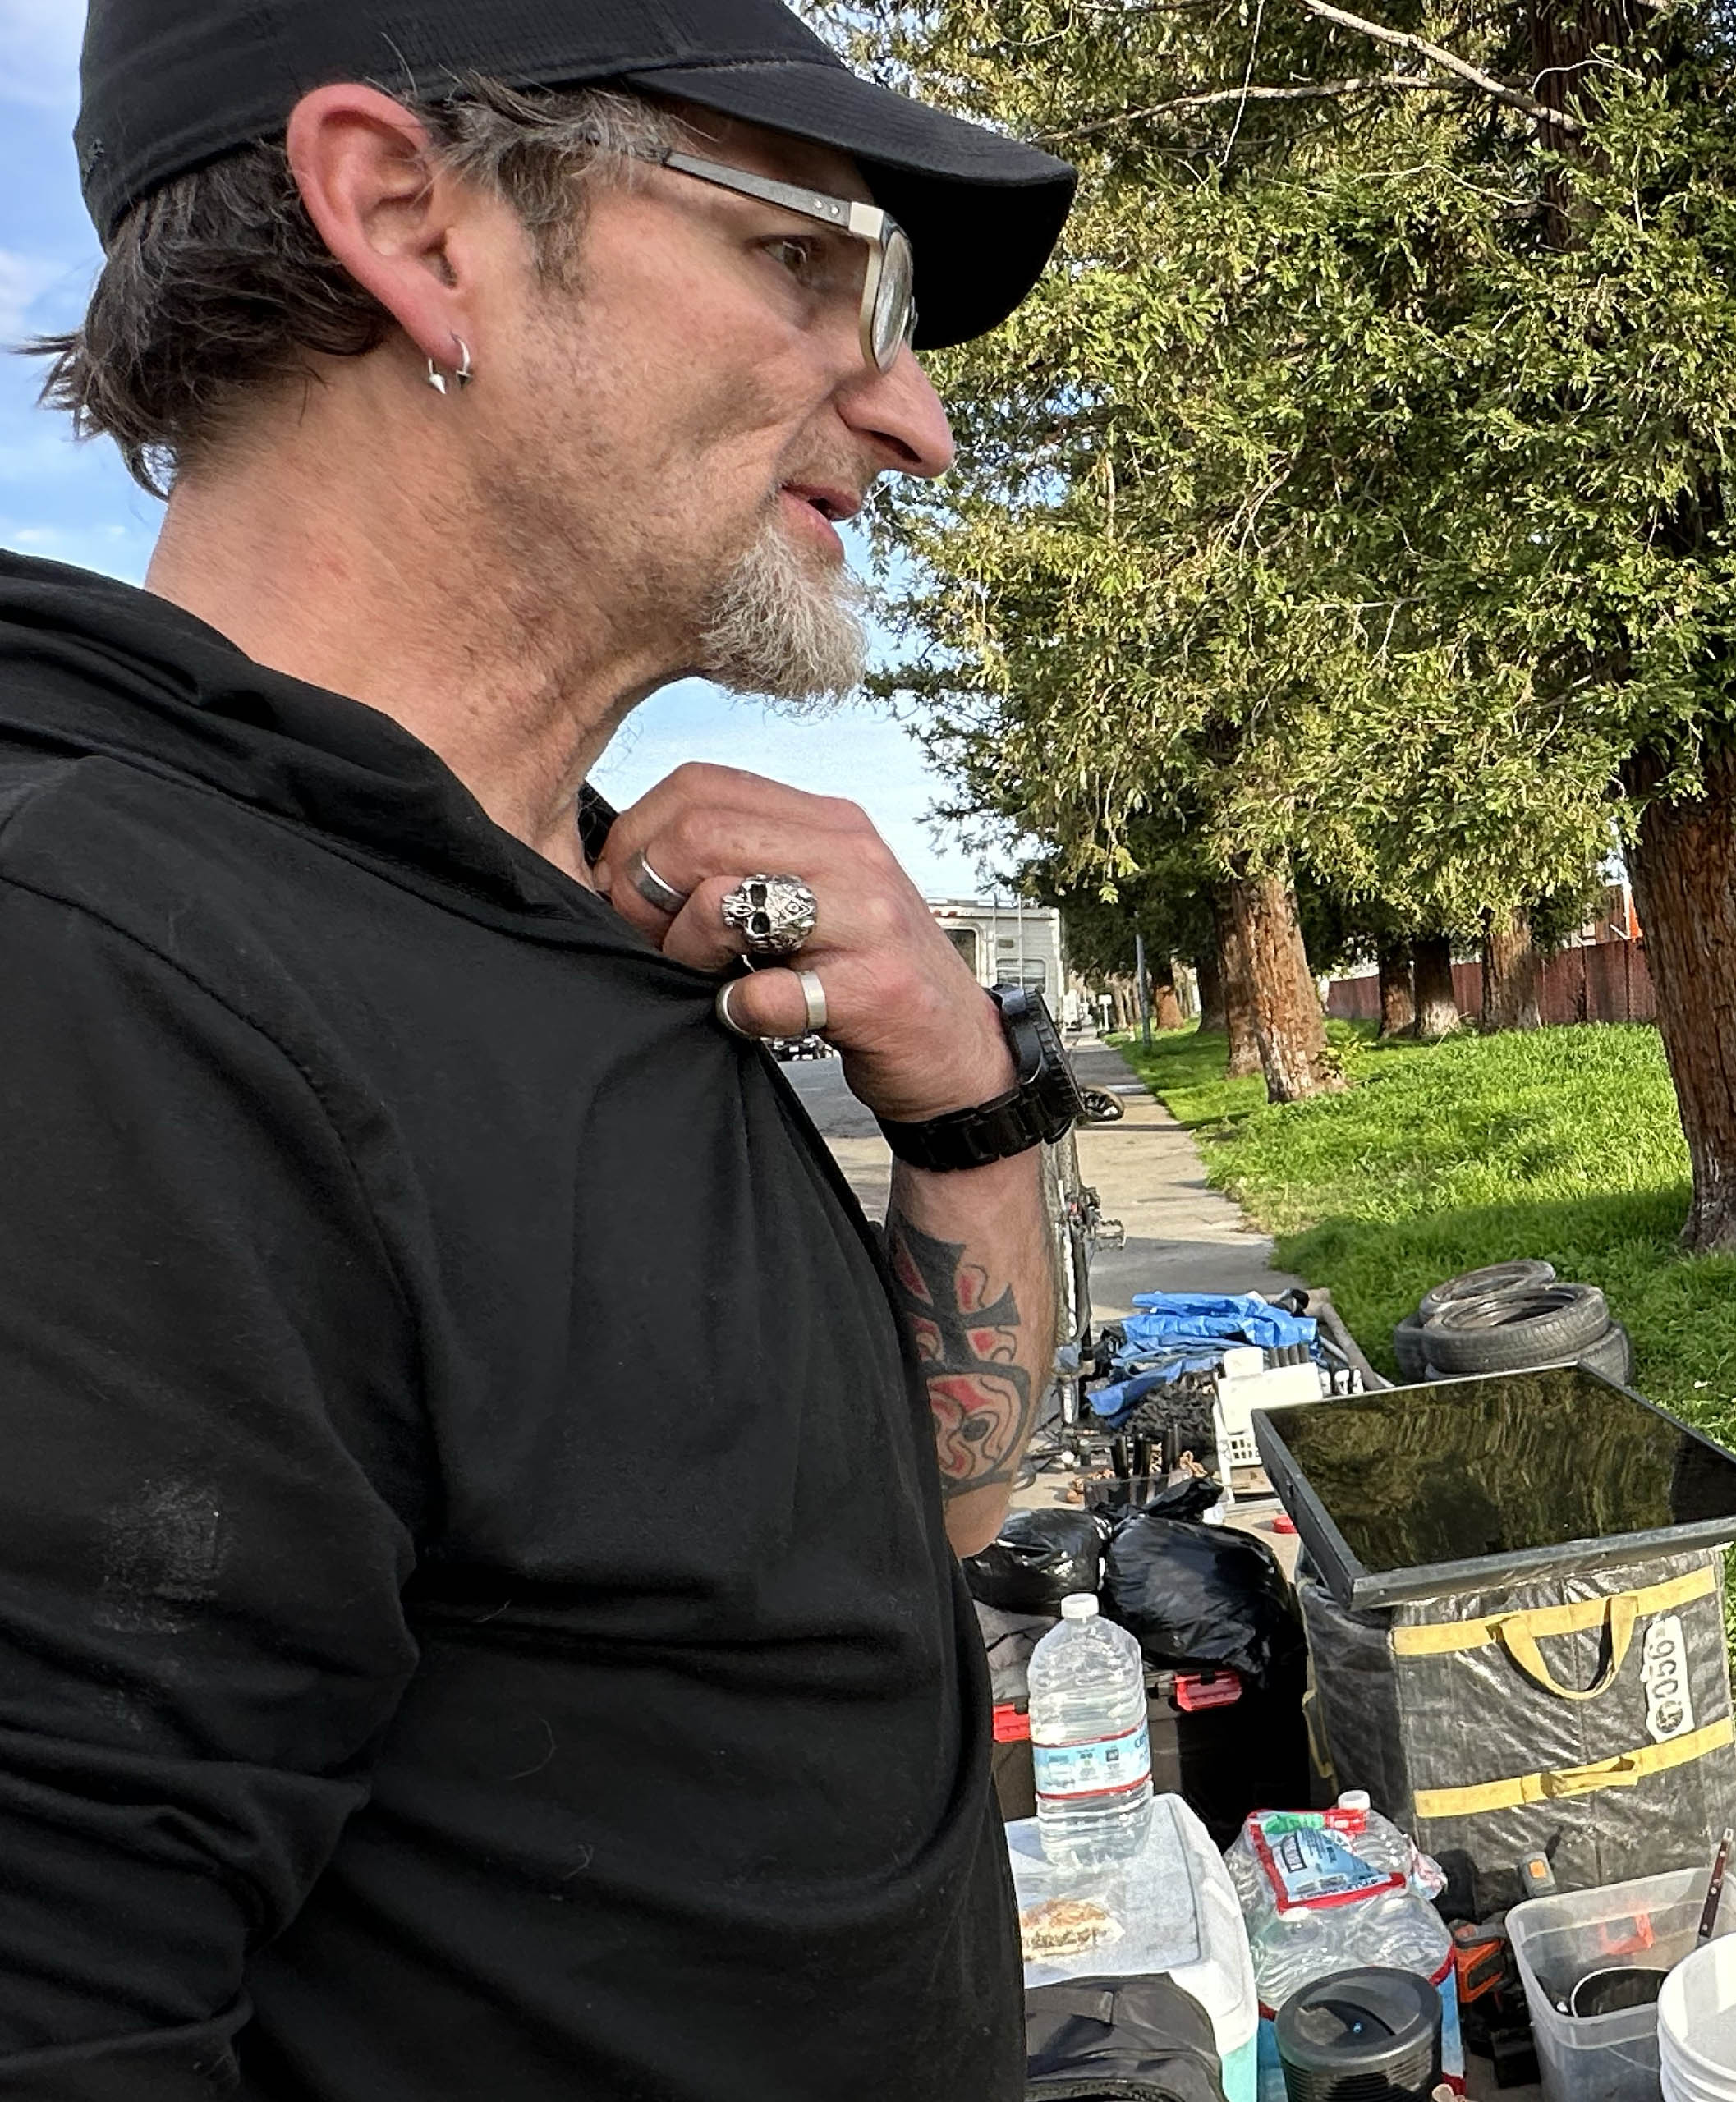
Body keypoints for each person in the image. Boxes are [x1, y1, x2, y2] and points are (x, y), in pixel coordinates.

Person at [0, 3, 1085, 2095]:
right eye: (818, 263)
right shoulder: (106, 988)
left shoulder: (582, 907)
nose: (917, 416)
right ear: (410, 220)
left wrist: (966, 1109)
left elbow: (902, 1541)